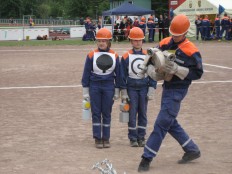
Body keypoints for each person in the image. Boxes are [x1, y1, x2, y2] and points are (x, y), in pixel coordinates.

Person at [138, 14, 203, 172]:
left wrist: (178, 70)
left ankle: (147, 157)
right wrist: (150, 68)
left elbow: (198, 73)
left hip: (178, 90)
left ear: (185, 32)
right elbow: (153, 57)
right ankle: (192, 149)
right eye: (173, 33)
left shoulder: (192, 51)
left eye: (178, 34)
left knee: (161, 123)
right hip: (167, 87)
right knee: (169, 121)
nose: (174, 36)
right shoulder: (165, 42)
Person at [81, 28, 120, 149]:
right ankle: (98, 138)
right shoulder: (91, 55)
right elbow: (86, 73)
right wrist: (85, 91)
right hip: (95, 86)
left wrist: (117, 90)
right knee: (96, 112)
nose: (101, 43)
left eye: (104, 41)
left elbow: (119, 74)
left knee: (107, 113)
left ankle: (106, 138)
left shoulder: (115, 55)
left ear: (109, 42)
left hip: (109, 86)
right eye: (99, 41)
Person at [120, 27, 157, 147]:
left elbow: (152, 73)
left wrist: (151, 88)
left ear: (143, 40)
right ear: (131, 41)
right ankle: (132, 138)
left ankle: (141, 137)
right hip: (131, 88)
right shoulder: (126, 57)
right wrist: (124, 91)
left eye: (140, 40)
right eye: (135, 40)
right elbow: (122, 75)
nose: (137, 42)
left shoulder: (149, 55)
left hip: (143, 88)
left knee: (143, 113)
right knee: (132, 113)